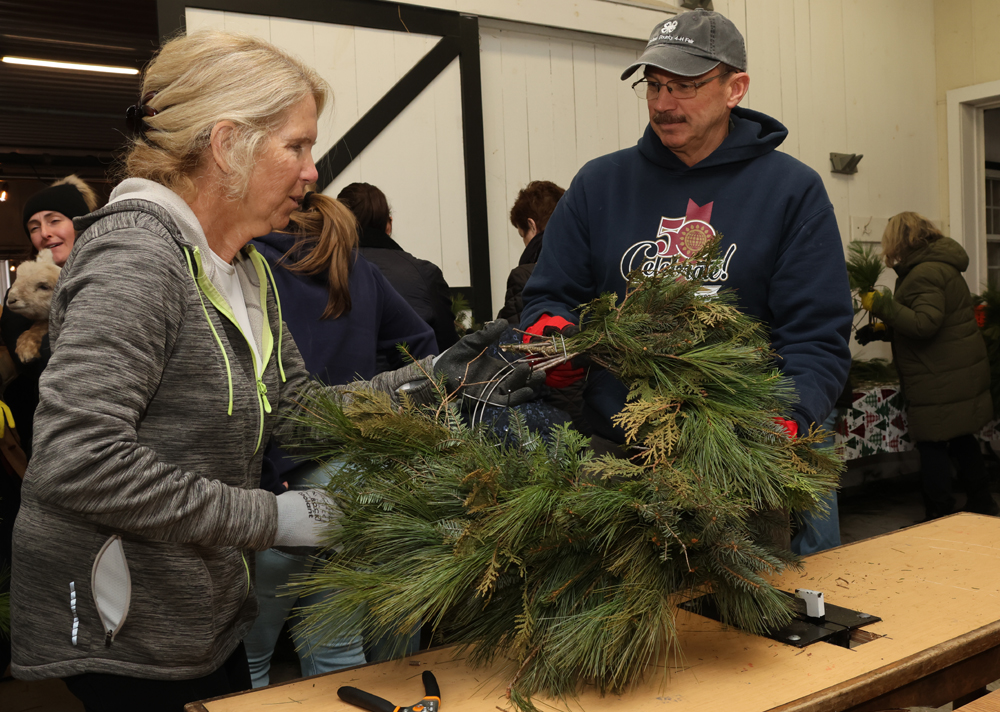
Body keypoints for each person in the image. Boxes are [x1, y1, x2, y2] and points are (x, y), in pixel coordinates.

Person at [8, 30, 536, 712]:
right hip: (126, 633)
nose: (313, 172)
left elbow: (295, 410)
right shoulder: (136, 260)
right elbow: (78, 461)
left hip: (203, 608)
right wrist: (277, 516)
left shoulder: (243, 266)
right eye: (298, 146)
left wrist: (437, 378)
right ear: (228, 145)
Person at [520, 9, 852, 546]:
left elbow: (816, 336)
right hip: (616, 457)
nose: (663, 103)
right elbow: (551, 294)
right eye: (653, 86)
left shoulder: (793, 191)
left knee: (742, 628)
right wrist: (552, 339)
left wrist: (787, 417)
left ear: (734, 88)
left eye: (686, 87)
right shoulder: (598, 184)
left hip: (738, 466)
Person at [245, 192, 438, 686]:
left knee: (250, 656)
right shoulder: (358, 267)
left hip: (285, 480)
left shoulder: (252, 267)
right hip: (364, 466)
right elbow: (420, 348)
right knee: (358, 642)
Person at [0, 174, 99, 678]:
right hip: (38, 449)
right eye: (34, 225)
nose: (44, 231)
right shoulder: (22, 296)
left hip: (99, 452)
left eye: (54, 219)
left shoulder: (104, 277)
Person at [864, 212, 996, 521]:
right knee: (962, 438)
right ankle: (981, 503)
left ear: (902, 240)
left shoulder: (924, 272)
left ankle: (939, 513)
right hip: (955, 370)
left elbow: (925, 324)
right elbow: (934, 317)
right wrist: (883, 329)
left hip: (939, 375)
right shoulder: (939, 265)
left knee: (933, 443)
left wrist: (882, 305)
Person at [337, 182, 460, 356]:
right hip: (411, 379)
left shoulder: (322, 270)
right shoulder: (424, 274)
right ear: (388, 224)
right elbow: (448, 351)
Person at [497, 180, 565, 329]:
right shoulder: (589, 264)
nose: (524, 243)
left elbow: (512, 341)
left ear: (532, 225)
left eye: (523, 235)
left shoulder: (525, 276)